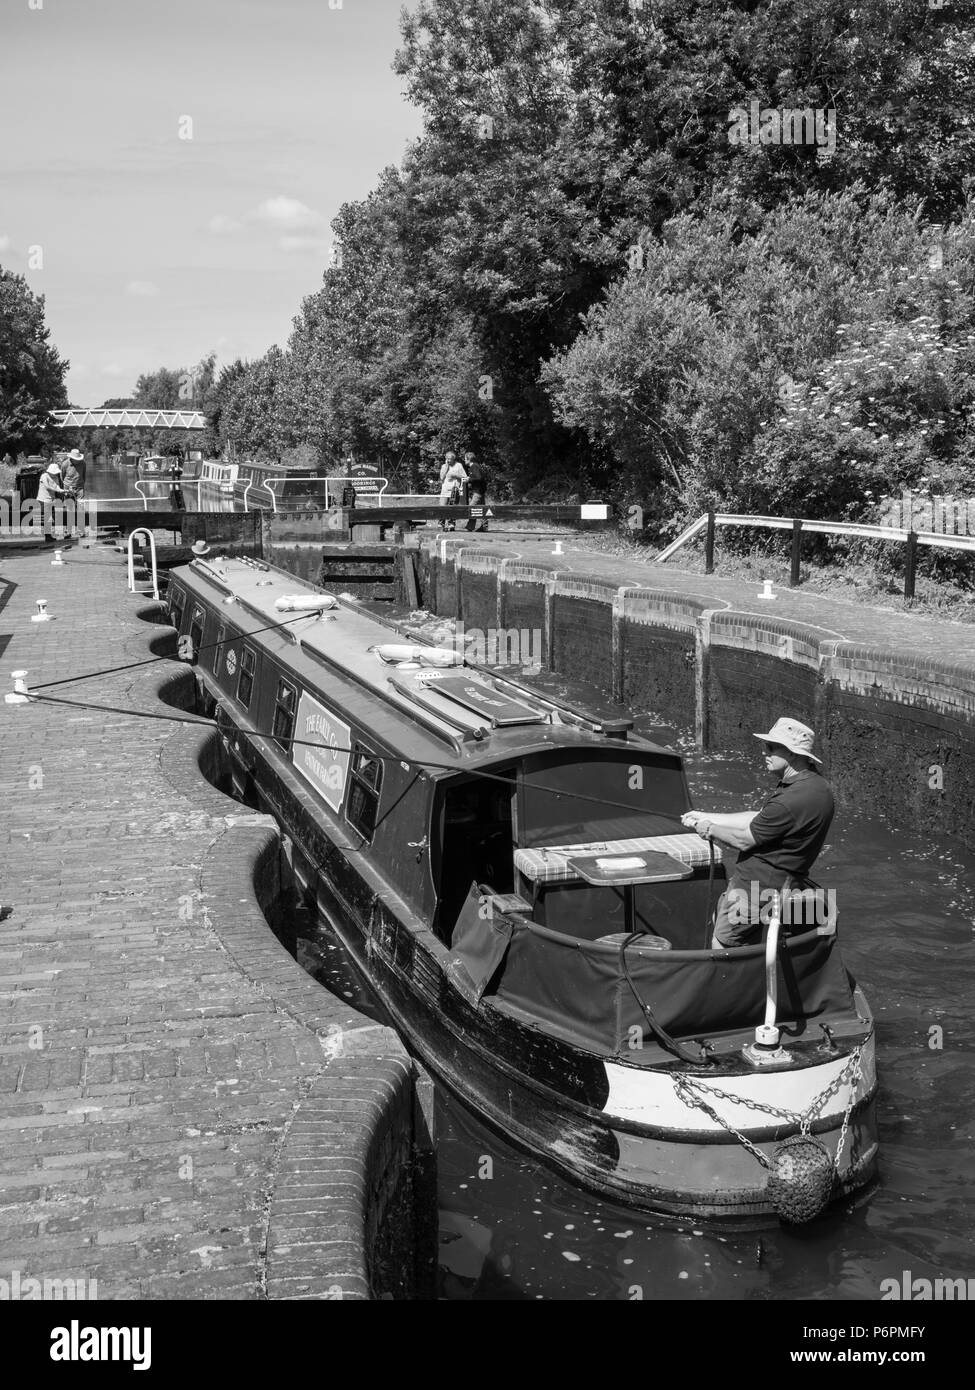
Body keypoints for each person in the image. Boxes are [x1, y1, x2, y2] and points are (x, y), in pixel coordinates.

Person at [681, 717, 835, 949]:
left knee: (723, 942)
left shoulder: (790, 800)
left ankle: (731, 984)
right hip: (783, 883)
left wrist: (708, 829)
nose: (765, 752)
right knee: (742, 937)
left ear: (792, 753)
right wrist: (705, 815)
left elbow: (744, 840)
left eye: (772, 747)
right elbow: (760, 817)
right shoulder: (816, 787)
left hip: (756, 889)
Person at [36, 461, 66, 544]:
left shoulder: (56, 477)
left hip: (51, 500)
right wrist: (58, 490)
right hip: (43, 500)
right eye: (54, 472)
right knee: (47, 518)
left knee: (51, 517)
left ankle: (49, 536)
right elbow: (47, 486)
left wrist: (64, 491)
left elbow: (57, 487)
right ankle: (47, 536)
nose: (55, 474)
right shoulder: (44, 476)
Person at [438, 452, 468, 530]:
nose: (448, 460)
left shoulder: (459, 465)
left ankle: (451, 524)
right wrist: (446, 468)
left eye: (449, 459)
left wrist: (456, 475)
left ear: (453, 459)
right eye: (447, 459)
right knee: (442, 506)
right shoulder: (444, 466)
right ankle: (441, 523)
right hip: (445, 490)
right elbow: (441, 478)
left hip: (454, 490)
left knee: (452, 507)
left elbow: (465, 477)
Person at [463, 451, 488, 531]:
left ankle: (470, 526)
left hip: (478, 491)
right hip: (479, 491)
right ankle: (484, 526)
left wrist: (469, 479)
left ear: (469, 459)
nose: (464, 460)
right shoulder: (473, 466)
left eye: (465, 459)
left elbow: (479, 477)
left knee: (472, 508)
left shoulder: (474, 466)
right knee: (481, 509)